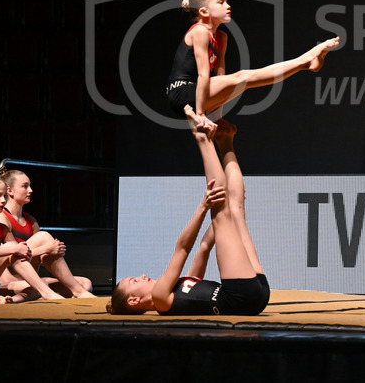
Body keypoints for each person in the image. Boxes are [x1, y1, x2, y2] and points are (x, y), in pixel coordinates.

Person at [107, 118, 270, 316]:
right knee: (223, 211)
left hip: (254, 295)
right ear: (134, 301)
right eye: (134, 281)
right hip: (240, 297)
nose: (141, 276)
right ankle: (203, 140)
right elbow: (182, 249)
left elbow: (204, 247)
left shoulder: (178, 289)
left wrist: (222, 227)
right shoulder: (159, 297)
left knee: (234, 210)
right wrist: (204, 208)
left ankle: (225, 142)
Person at [165, 0, 338, 133]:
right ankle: (305, 60)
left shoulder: (222, 37)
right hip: (181, 94)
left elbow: (221, 78)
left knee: (243, 82)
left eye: (227, 1)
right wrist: (200, 114)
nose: (228, 6)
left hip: (198, 94)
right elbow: (204, 75)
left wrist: (217, 117)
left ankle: (304, 64)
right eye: (221, 2)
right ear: (204, 11)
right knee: (243, 76)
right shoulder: (200, 31)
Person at [0, 170, 65, 303]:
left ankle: (36, 294)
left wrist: (44, 252)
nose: (3, 200)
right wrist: (14, 249)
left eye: (4, 196)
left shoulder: (2, 228)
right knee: (12, 249)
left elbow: (21, 253)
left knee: (38, 282)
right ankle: (48, 294)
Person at [0, 169, 95, 301]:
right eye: (25, 186)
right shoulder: (1, 217)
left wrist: (55, 254)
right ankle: (76, 292)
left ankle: (26, 298)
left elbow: (41, 258)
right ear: (10, 191)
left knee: (85, 283)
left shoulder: (31, 220)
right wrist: (46, 249)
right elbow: (7, 258)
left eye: (30, 186)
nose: (30, 190)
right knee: (44, 237)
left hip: (33, 281)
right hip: (11, 282)